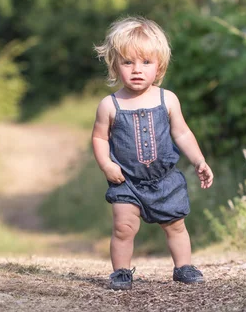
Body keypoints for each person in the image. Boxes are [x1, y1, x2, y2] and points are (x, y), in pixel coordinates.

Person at [91, 16, 214, 291]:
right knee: (123, 227)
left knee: (176, 225)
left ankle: (183, 267)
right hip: (126, 181)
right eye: (128, 62)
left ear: (159, 66)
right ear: (114, 65)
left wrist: (199, 160)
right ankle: (121, 272)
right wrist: (106, 165)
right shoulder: (109, 105)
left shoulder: (167, 99)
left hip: (164, 179)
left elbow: (182, 133)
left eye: (146, 62)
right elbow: (99, 138)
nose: (137, 70)